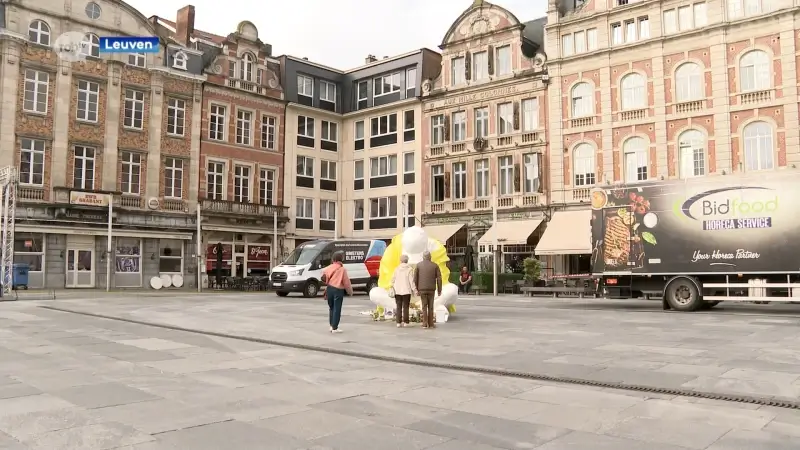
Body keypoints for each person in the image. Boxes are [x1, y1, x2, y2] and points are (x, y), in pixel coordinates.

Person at [322, 251, 353, 333]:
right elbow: (346, 282)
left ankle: (331, 326)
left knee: (331, 308)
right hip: (338, 290)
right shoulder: (342, 269)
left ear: (333, 259)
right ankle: (335, 327)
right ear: (341, 259)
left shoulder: (328, 268)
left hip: (329, 289)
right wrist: (350, 291)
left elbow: (324, 277)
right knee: (337, 309)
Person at [413, 250, 442, 329]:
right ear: (430, 257)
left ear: (423, 257)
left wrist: (416, 289)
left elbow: (415, 278)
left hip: (422, 289)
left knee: (424, 306)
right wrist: (439, 290)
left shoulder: (418, 265)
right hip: (431, 289)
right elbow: (439, 278)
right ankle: (431, 324)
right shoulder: (435, 265)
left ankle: (424, 323)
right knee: (431, 306)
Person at [391, 254, 416, 328]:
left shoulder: (396, 269)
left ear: (400, 260)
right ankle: (406, 322)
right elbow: (411, 281)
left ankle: (398, 322)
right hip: (406, 291)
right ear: (407, 260)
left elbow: (392, 279)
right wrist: (414, 289)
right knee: (406, 306)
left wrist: (392, 286)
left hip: (397, 290)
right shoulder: (409, 269)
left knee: (398, 306)